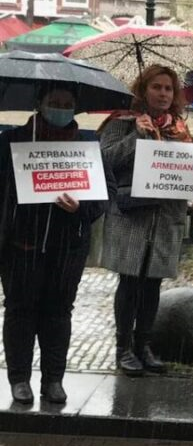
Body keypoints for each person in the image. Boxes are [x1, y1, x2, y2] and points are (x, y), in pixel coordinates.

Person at [0, 85, 115, 404]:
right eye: (54, 103)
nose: (61, 109)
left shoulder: (87, 144)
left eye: (67, 104)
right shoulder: (12, 141)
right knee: (19, 312)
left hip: (68, 247)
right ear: (39, 104)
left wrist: (83, 209)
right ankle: (19, 379)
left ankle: (53, 379)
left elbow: (107, 190)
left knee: (58, 313)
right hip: (21, 244)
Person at [99, 64, 193, 377]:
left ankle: (143, 345)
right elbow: (105, 159)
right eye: (156, 87)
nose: (163, 94)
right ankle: (123, 347)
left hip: (165, 216)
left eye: (168, 89)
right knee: (130, 280)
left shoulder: (178, 126)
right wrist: (137, 136)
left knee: (152, 283)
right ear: (143, 89)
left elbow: (189, 165)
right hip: (132, 214)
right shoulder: (122, 121)